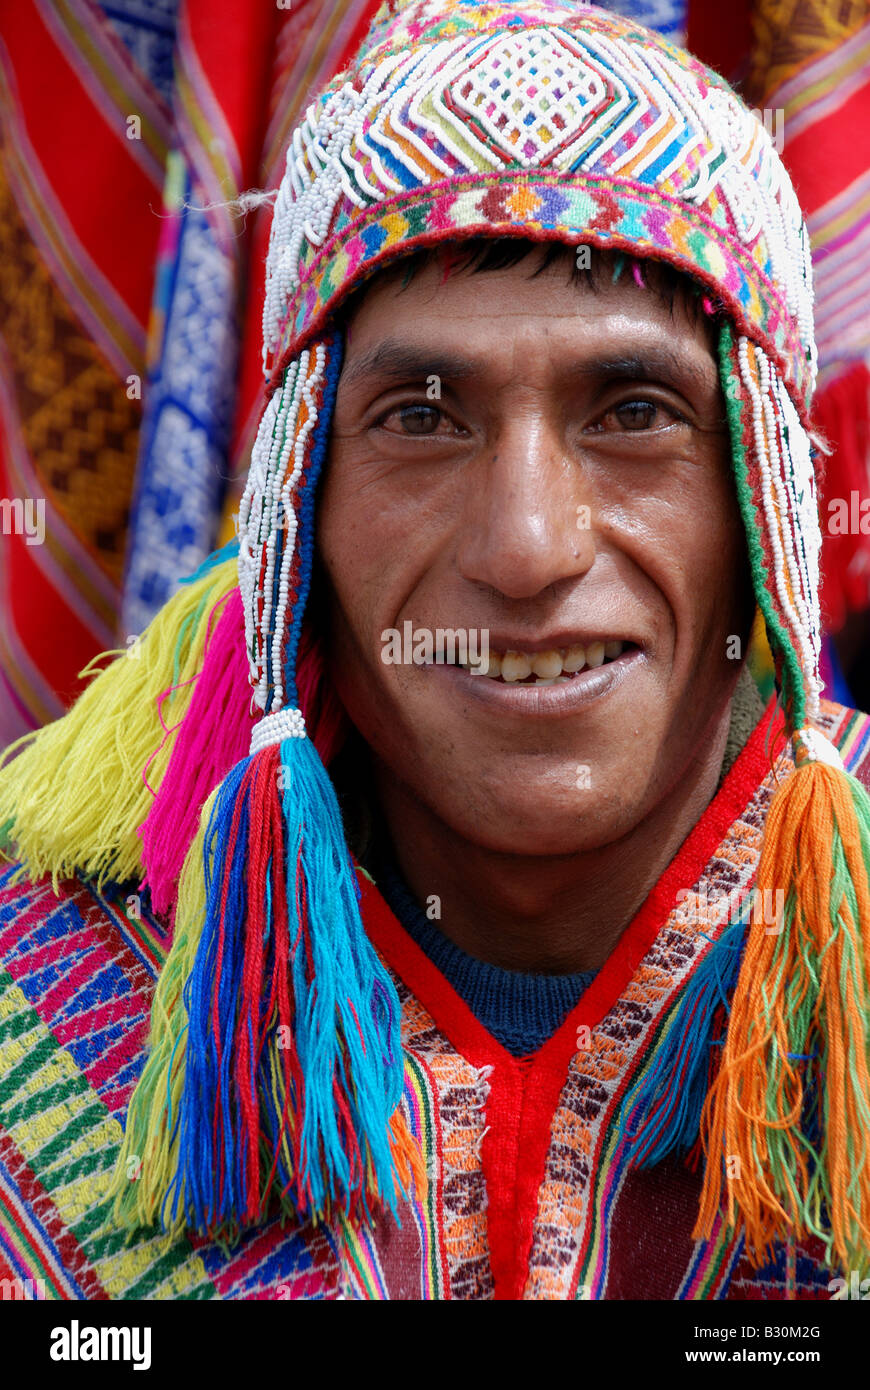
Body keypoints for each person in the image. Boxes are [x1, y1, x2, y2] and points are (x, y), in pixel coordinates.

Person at [1, 0, 869, 1301]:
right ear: (296, 495)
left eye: (634, 412)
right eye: (420, 414)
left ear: (765, 501)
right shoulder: (37, 970)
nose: (527, 548)